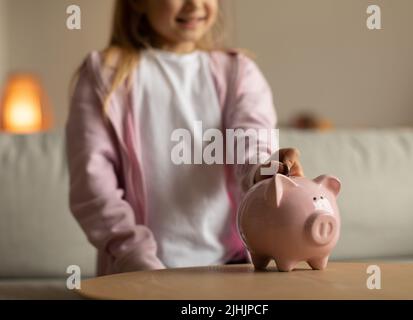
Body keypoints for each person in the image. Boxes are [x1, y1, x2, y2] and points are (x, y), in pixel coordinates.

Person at [65, 0, 304, 276]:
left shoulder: (239, 72)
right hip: (135, 273)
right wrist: (134, 258)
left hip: (232, 267)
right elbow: (93, 187)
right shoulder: (102, 76)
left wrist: (267, 171)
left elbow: (251, 145)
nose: (195, 5)